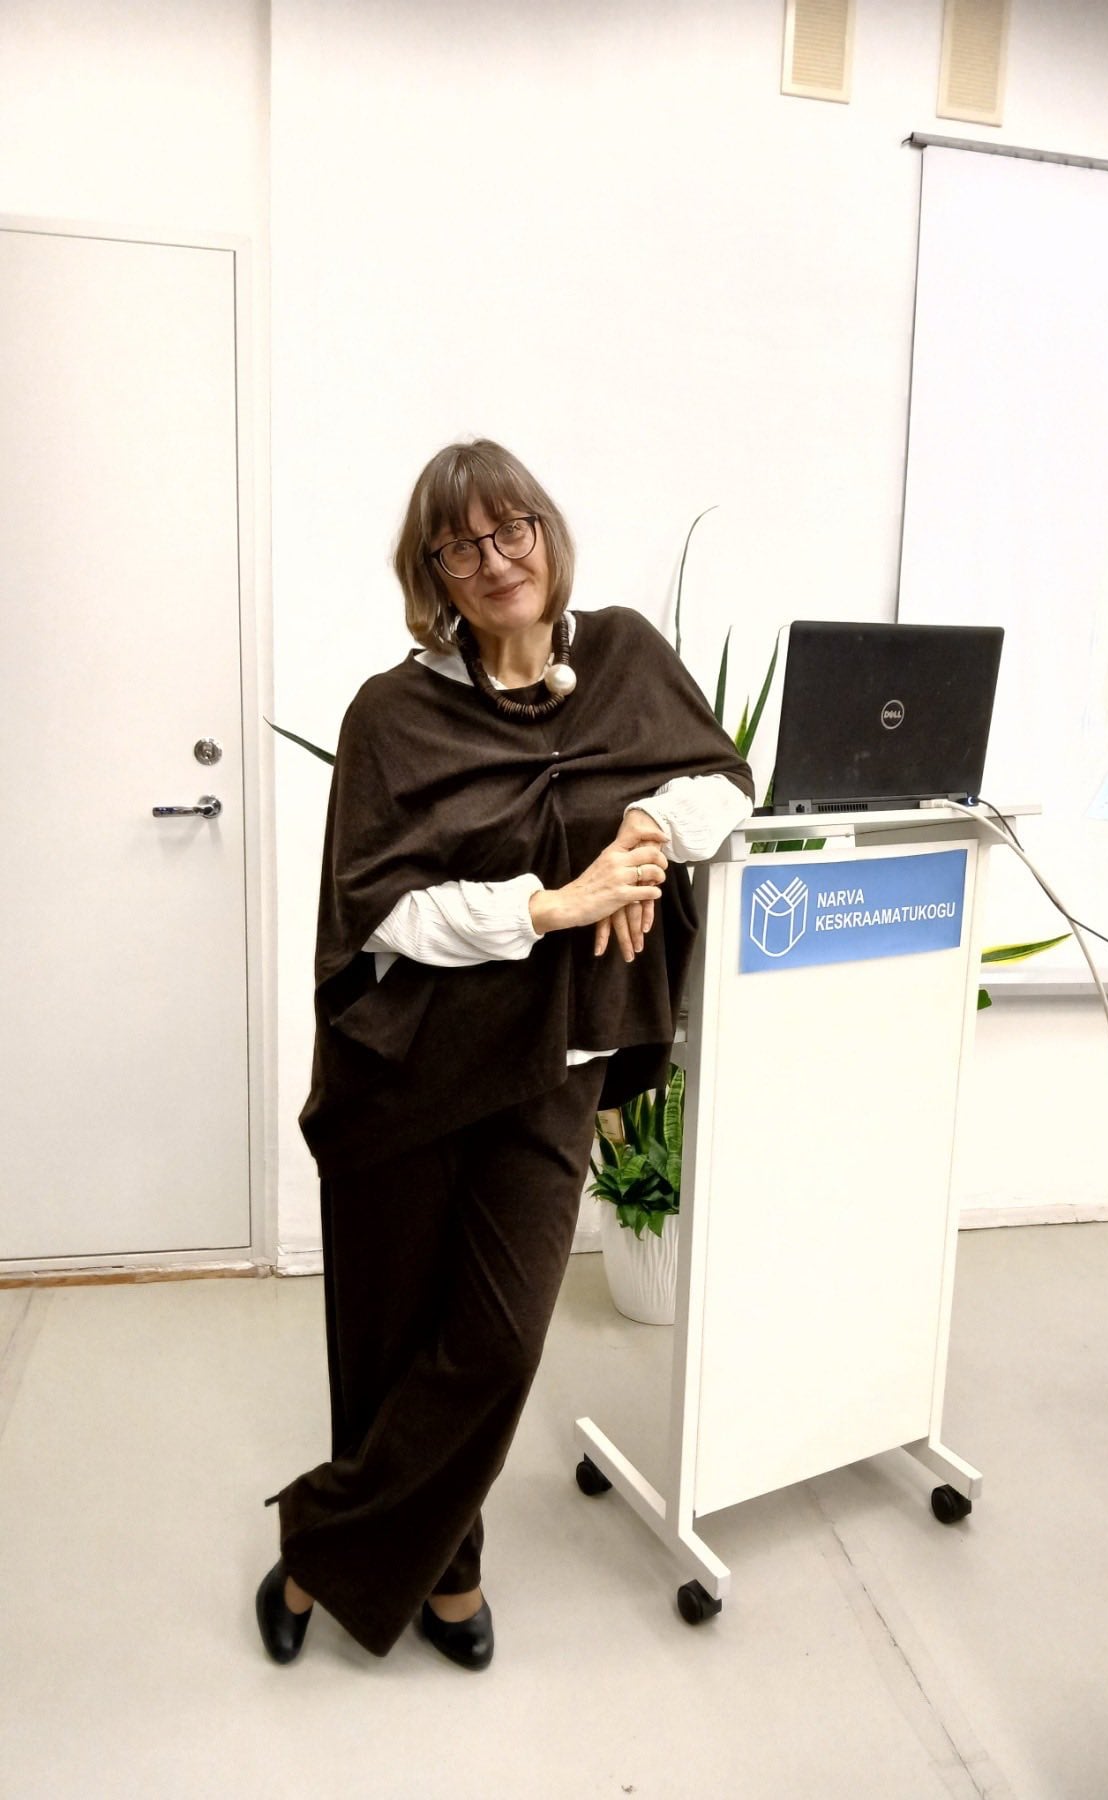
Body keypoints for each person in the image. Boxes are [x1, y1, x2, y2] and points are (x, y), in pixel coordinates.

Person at [256, 439, 755, 1668]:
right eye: (459, 548)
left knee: (498, 1341)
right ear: (431, 573)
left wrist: (643, 824)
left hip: (553, 1061)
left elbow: (726, 784)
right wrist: (555, 905)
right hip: (409, 1068)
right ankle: (450, 1574)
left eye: (510, 529)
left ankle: (319, 1542)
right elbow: (381, 911)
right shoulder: (394, 713)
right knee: (388, 1343)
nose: (493, 562)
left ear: (547, 530)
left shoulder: (625, 655)